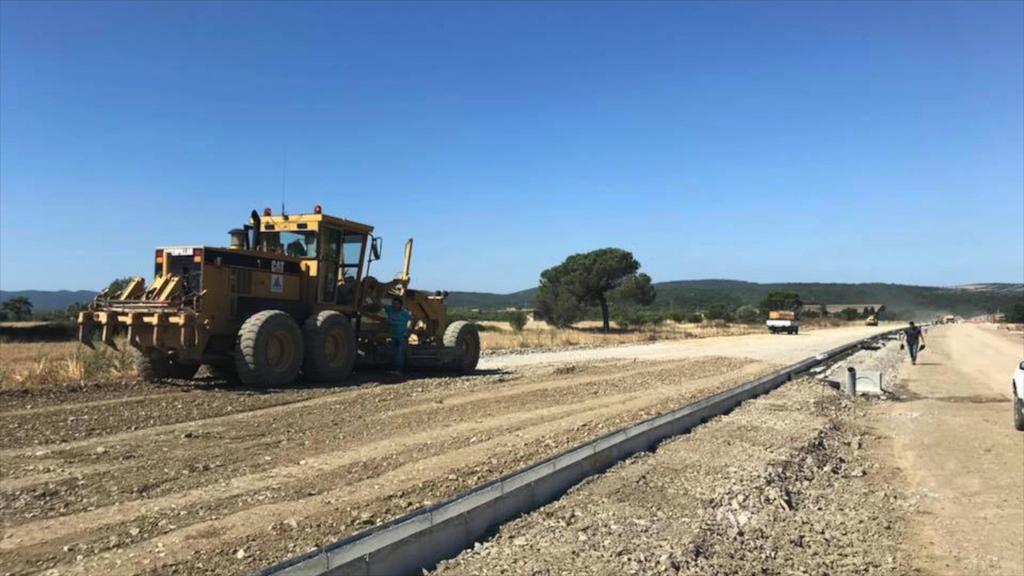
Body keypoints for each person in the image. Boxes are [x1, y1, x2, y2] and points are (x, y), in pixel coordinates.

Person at [385, 297, 413, 375]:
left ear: (400, 305)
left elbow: (411, 320)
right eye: (393, 303)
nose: (394, 305)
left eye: (396, 304)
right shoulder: (390, 309)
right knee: (393, 353)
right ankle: (394, 369)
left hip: (402, 336)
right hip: (393, 335)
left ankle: (399, 370)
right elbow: (380, 305)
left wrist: (408, 330)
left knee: (400, 354)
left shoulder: (404, 313)